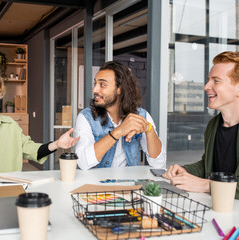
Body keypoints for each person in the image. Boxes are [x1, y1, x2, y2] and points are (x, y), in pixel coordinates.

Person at [163, 51, 239, 199]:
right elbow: (207, 165)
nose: (206, 87)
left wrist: (206, 185)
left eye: (216, 81)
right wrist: (185, 171)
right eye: (208, 80)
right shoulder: (214, 125)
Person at [74, 61, 166, 170]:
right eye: (95, 84)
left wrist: (149, 130)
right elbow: (82, 162)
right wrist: (118, 131)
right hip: (96, 185)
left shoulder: (141, 115)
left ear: (119, 89)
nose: (95, 89)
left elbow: (158, 163)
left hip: (130, 184)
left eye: (102, 85)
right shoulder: (86, 117)